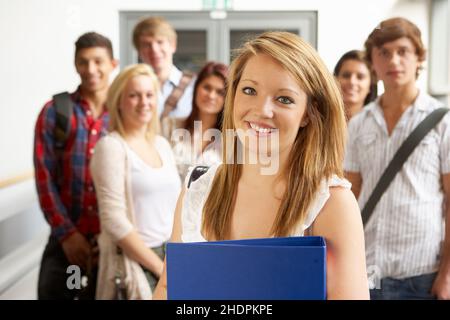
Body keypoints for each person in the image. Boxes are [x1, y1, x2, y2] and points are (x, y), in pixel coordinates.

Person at [153, 31, 369, 300]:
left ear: (308, 114)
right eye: (249, 90)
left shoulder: (331, 203)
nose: (262, 110)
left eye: (284, 99)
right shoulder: (197, 190)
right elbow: (167, 288)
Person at [344, 17, 450, 300]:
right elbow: (350, 193)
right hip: (366, 270)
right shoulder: (358, 124)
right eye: (384, 53)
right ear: (373, 62)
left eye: (403, 51)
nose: (394, 61)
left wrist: (447, 274)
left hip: (421, 273)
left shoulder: (442, 121)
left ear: (418, 58)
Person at [34, 32, 118, 299]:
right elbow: (44, 178)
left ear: (112, 64)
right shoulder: (55, 111)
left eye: (98, 61)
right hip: (66, 246)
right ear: (75, 65)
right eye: (83, 62)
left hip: (111, 245)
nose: (91, 70)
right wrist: (68, 235)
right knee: (66, 294)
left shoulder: (123, 114)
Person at [90, 64, 181, 299]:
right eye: (134, 95)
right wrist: (159, 268)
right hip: (137, 261)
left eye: (149, 94)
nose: (144, 102)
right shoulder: (111, 147)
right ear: (118, 101)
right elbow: (114, 220)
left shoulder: (161, 144)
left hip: (170, 255)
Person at [132, 16, 195, 124]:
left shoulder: (193, 87)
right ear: (139, 51)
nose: (154, 50)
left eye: (160, 42)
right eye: (147, 44)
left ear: (173, 45)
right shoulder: (132, 89)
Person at [171, 61, 228, 180]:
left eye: (220, 92)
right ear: (196, 88)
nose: (211, 96)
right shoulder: (172, 126)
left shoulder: (230, 140)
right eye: (207, 88)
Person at [334, 50, 377, 120]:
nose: (352, 82)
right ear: (335, 80)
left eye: (360, 77)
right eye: (346, 75)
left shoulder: (379, 123)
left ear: (370, 86)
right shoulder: (322, 121)